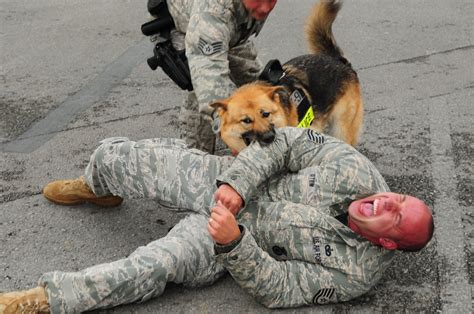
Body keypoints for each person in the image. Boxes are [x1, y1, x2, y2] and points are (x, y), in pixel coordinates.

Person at [0, 128, 434, 313]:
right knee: (116, 157)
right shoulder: (357, 170)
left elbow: (281, 288)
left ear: (389, 244)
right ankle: (98, 186)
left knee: (154, 267)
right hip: (222, 183)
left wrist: (234, 244)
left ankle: (42, 299)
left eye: (394, 217)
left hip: (224, 240)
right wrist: (240, 182)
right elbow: (283, 142)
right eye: (396, 197)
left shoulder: (356, 273)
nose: (384, 202)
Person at [147, 0, 277, 153]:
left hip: (230, 33)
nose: (265, 8)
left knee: (260, 88)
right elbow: (208, 74)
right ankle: (196, 158)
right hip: (187, 28)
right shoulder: (212, 10)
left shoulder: (252, 6)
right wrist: (230, 129)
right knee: (204, 94)